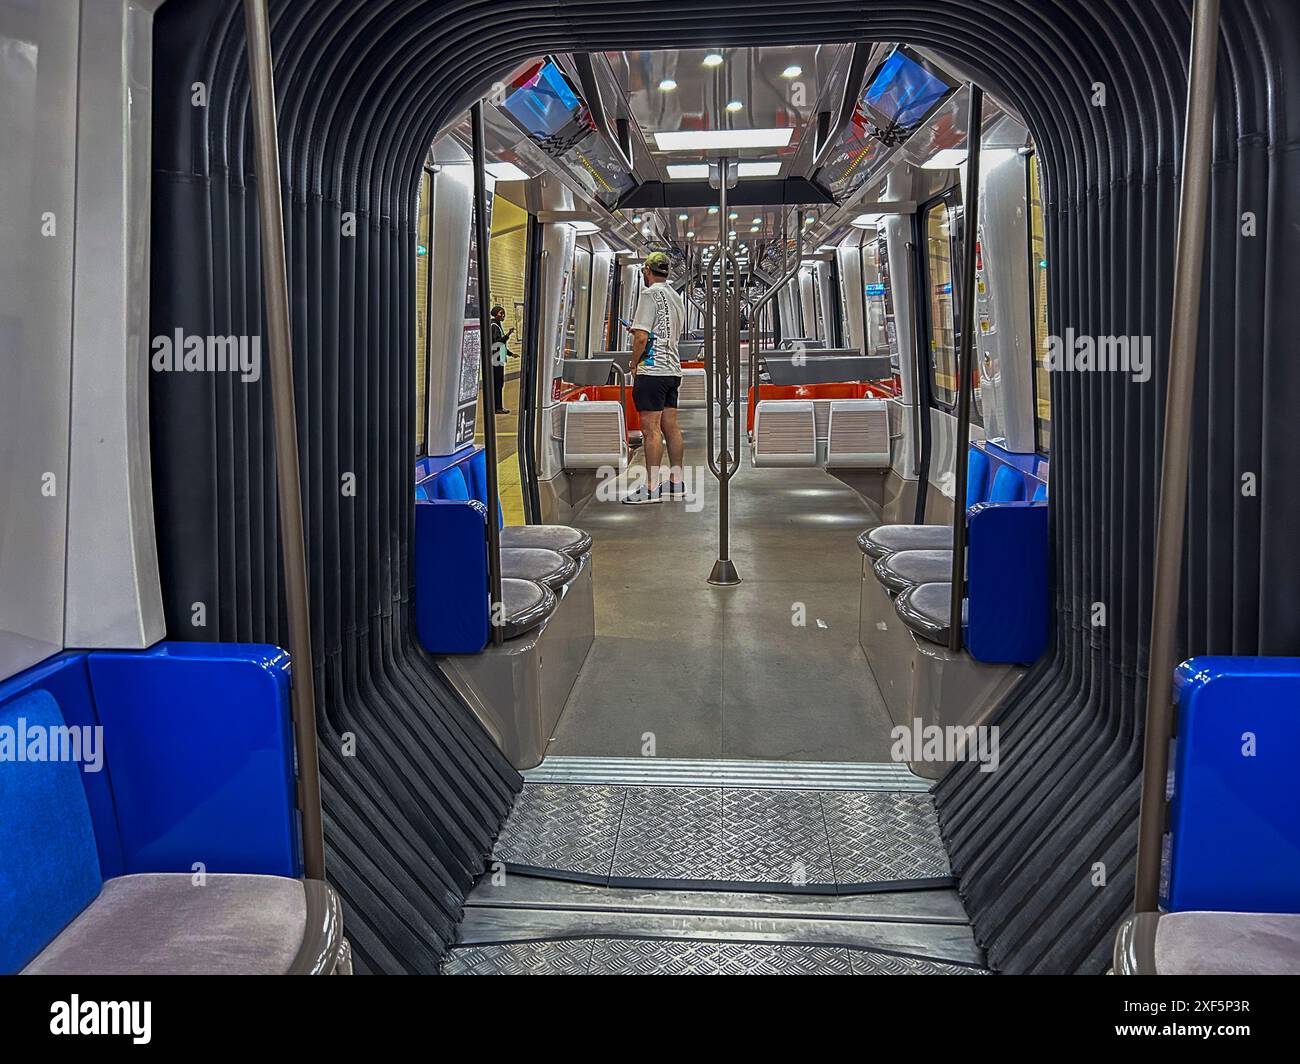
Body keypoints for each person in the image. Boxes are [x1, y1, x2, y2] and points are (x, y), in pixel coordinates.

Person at [622, 251, 687, 504]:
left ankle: (650, 487)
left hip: (652, 371)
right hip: (672, 370)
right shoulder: (675, 296)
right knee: (671, 427)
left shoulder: (649, 294)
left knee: (651, 431)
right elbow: (662, 330)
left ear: (647, 272)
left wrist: (634, 362)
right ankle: (676, 482)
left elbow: (641, 338)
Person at [489, 305, 514, 414]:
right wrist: (508, 335)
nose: (503, 315)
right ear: (495, 314)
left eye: (504, 313)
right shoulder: (494, 326)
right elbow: (498, 343)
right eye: (500, 313)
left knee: (498, 383)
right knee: (498, 384)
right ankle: (497, 407)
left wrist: (510, 354)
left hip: (498, 357)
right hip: (496, 358)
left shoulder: (497, 325)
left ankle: (497, 406)